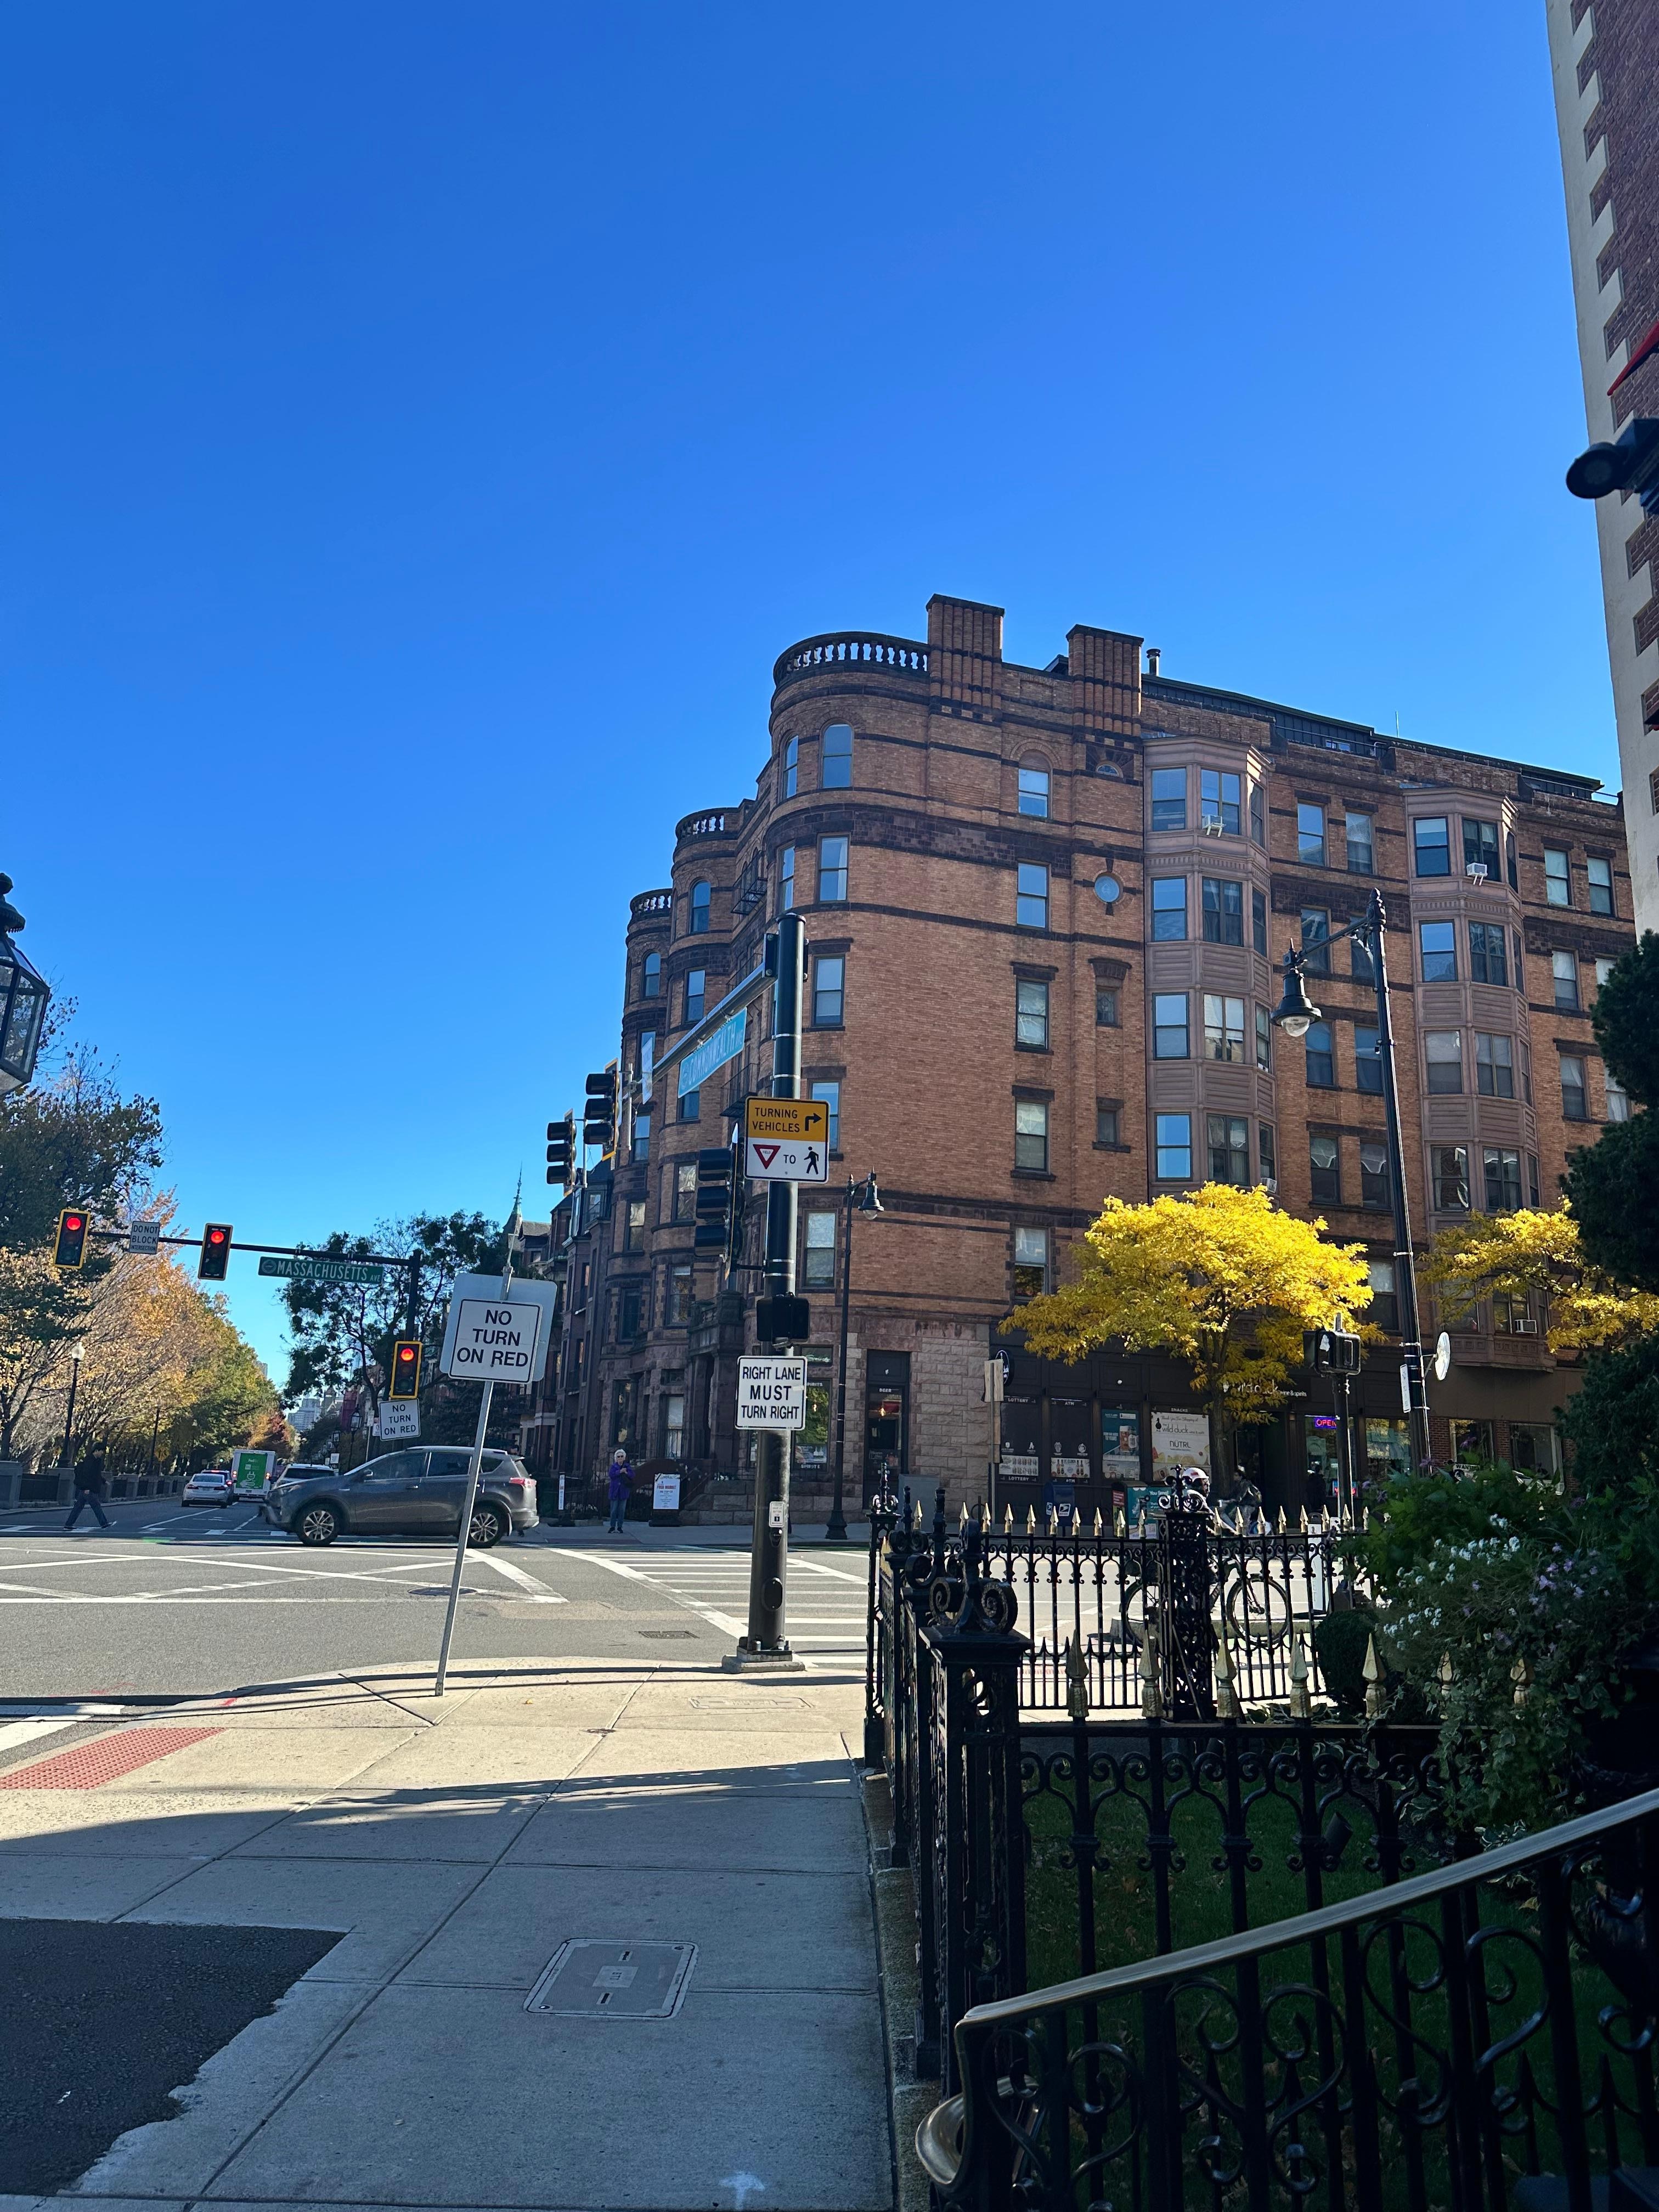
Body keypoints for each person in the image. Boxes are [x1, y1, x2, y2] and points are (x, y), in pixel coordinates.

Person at [65, 1450, 110, 1531]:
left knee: (78, 1507)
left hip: (88, 1488)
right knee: (96, 1506)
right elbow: (87, 1475)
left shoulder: (96, 1461)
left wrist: (104, 1481)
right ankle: (104, 1523)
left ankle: (69, 1524)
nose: (102, 1453)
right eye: (101, 1451)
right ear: (96, 1451)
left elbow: (96, 1475)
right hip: (89, 1489)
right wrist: (86, 1488)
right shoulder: (89, 1461)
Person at [606, 1448, 634, 1533]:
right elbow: (611, 1475)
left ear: (624, 1458)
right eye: (619, 1457)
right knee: (614, 1510)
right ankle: (613, 1526)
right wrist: (620, 1471)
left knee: (622, 1510)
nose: (620, 1458)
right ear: (616, 1458)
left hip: (623, 1492)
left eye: (622, 1456)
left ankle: (620, 1527)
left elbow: (632, 1475)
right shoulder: (614, 1467)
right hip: (615, 1492)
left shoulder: (627, 1466)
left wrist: (626, 1473)